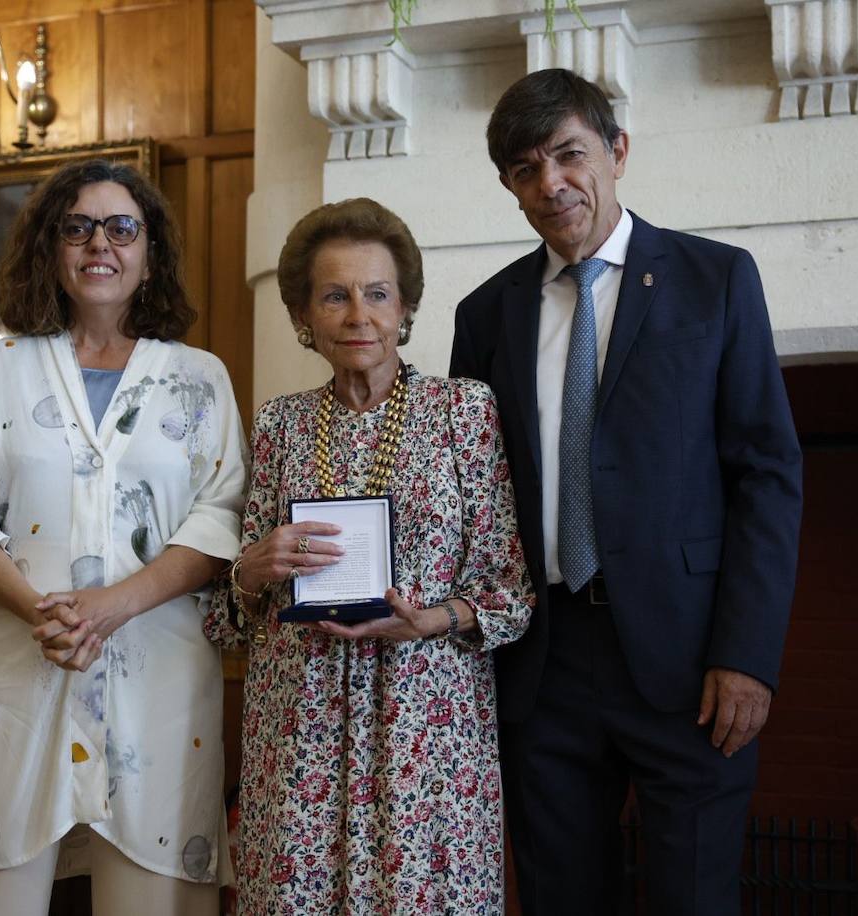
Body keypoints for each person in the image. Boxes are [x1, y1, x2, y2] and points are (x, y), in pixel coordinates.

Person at [449, 69, 804, 914]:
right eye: (526, 169)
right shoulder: (485, 314)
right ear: (508, 187)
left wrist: (747, 654)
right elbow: (467, 493)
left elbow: (768, 473)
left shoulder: (715, 279)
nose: (552, 183)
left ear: (616, 151)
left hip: (691, 666)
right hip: (541, 665)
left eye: (569, 155)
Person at [0, 158, 246, 916]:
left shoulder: (200, 379)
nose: (101, 244)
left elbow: (220, 520)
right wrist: (38, 608)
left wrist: (113, 605)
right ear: (51, 250)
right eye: (78, 227)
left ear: (150, 252)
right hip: (17, 675)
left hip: (156, 680)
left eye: (123, 228)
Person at [206, 198, 534, 913]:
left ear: (406, 307)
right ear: (303, 315)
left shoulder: (463, 412)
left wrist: (434, 620)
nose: (359, 314)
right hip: (299, 735)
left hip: (427, 731)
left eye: (377, 293)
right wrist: (251, 569)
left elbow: (512, 591)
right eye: (335, 295)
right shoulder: (278, 425)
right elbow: (228, 614)